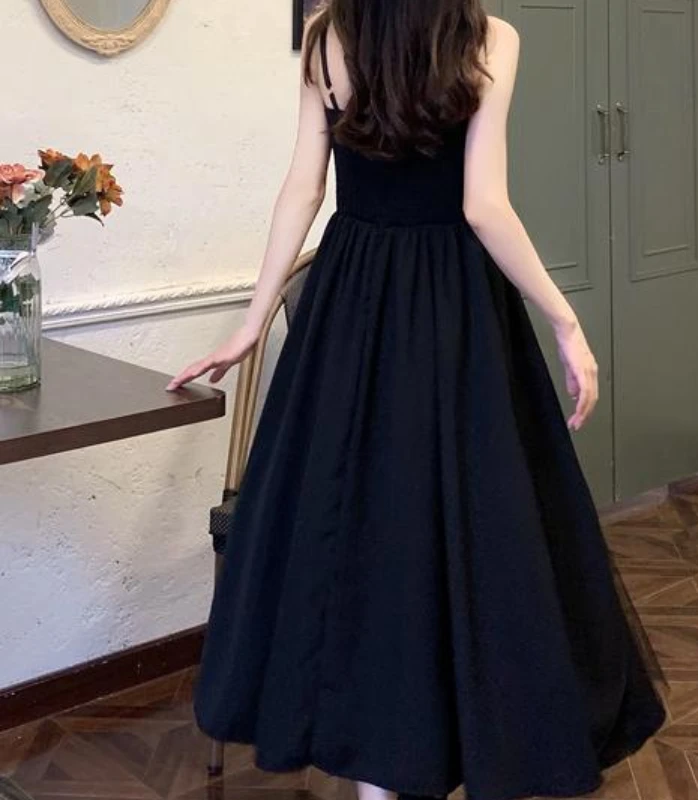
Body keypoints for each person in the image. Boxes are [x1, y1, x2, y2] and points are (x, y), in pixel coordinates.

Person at [167, 2, 666, 798]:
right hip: (454, 305)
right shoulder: (489, 37)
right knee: (466, 525)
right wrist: (564, 320)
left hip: (353, 297)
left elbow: (303, 187)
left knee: (359, 523)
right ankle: (448, 743)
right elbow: (482, 206)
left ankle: (377, 771)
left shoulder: (326, 35)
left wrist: (254, 322)